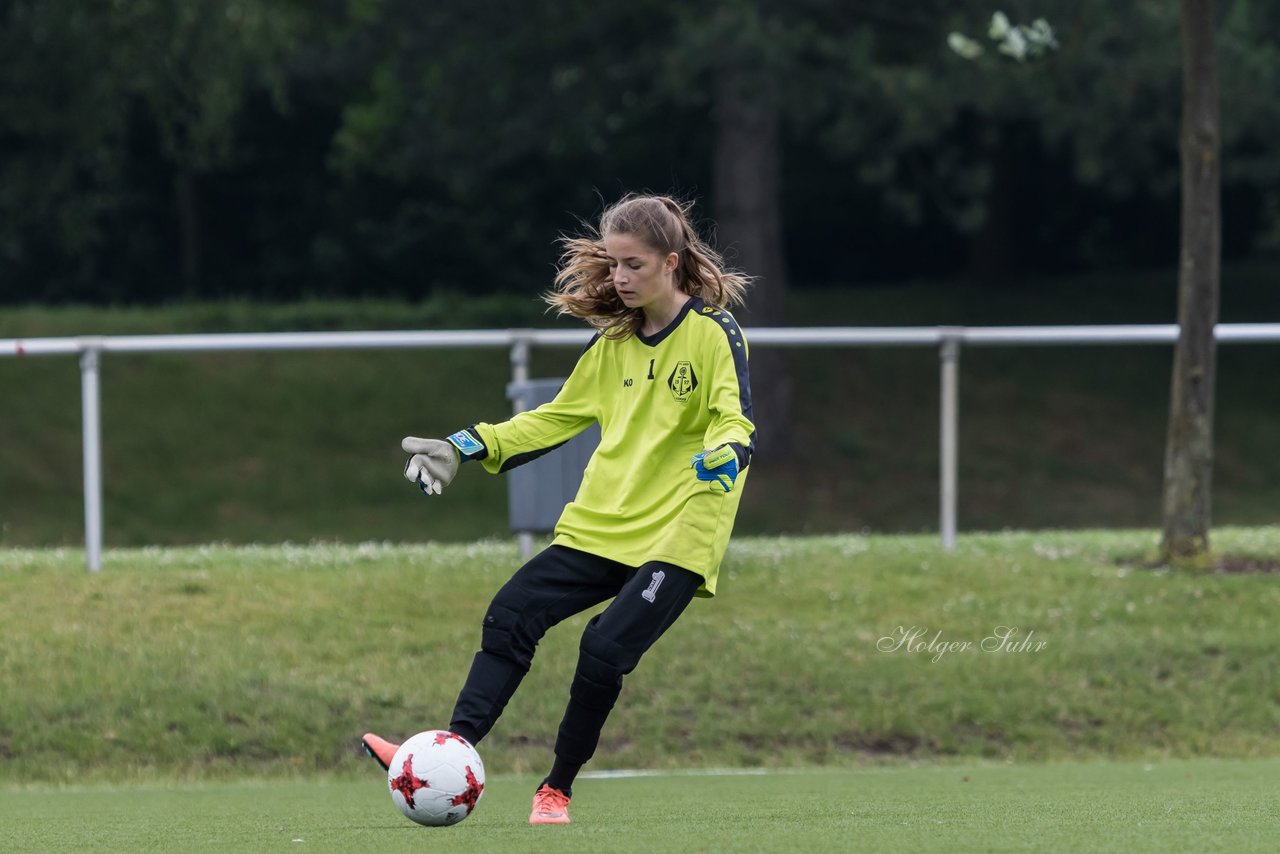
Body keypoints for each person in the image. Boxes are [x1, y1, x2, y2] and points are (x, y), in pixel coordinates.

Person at [362, 193, 755, 825]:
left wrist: (728, 452)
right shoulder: (613, 345)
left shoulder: (714, 334)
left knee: (602, 649)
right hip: (602, 527)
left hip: (680, 533)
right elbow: (552, 421)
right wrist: (466, 445)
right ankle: (442, 755)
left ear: (671, 262)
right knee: (512, 614)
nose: (619, 278)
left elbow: (735, 420)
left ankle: (557, 789)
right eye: (613, 264)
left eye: (633, 265)